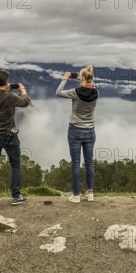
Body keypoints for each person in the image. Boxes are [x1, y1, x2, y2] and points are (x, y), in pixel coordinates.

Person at [0, 69, 31, 208]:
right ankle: (16, 196)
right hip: (9, 135)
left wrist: (5, 89)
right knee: (15, 165)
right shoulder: (9, 96)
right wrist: (23, 90)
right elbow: (25, 102)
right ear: (6, 82)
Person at [56, 65, 99, 203]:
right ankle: (90, 193)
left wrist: (65, 78)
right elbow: (90, 85)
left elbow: (58, 92)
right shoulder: (96, 92)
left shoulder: (75, 92)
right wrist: (83, 77)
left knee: (75, 163)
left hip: (75, 130)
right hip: (90, 131)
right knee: (89, 163)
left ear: (81, 78)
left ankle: (76, 195)